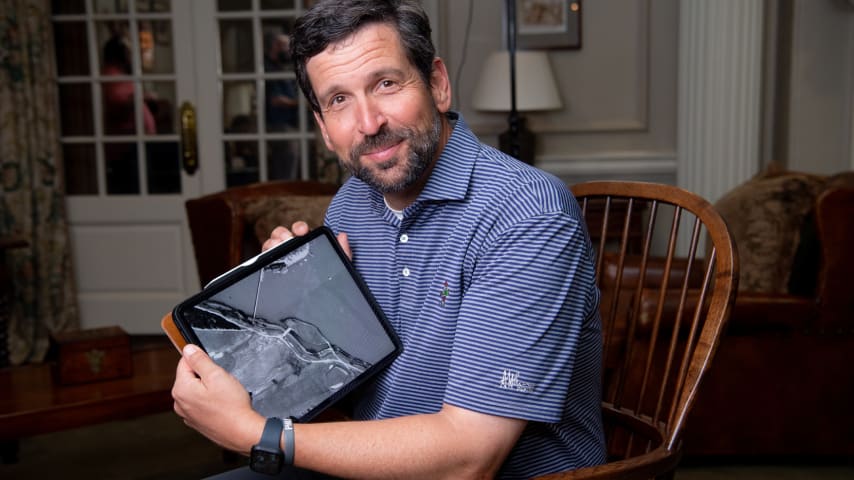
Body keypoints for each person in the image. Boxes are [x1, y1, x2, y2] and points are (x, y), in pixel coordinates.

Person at [171, 1, 605, 478]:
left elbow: (469, 458)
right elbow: (334, 385)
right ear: (323, 128)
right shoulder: (352, 203)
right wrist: (295, 308)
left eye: (385, 84)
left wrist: (256, 434)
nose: (369, 122)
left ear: (437, 83)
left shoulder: (527, 214)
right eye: (338, 100)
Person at [264, 32, 300, 179]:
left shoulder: (280, 67)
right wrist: (299, 103)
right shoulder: (266, 68)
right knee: (289, 154)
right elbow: (275, 100)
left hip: (290, 123)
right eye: (285, 46)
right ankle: (286, 189)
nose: (288, 51)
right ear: (275, 46)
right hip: (276, 125)